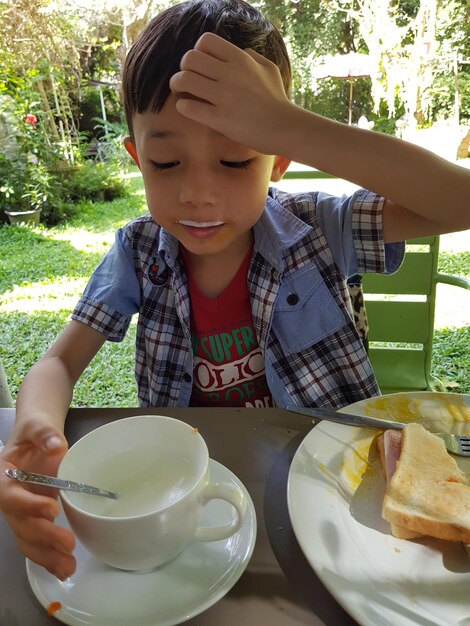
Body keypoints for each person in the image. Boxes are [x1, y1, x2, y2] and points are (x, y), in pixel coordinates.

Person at [1, 0, 469, 581]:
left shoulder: (318, 230)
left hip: (335, 498)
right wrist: (35, 428)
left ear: (278, 161)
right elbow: (58, 365)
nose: (198, 193)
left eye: (233, 157)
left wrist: (293, 124)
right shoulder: (139, 252)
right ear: (136, 157)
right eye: (167, 162)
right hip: (193, 502)